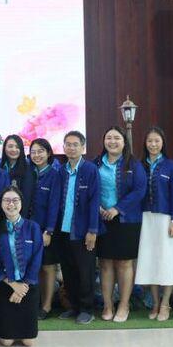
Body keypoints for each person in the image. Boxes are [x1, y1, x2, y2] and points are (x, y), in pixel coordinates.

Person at [95, 126, 146, 323]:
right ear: (104, 141)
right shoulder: (96, 163)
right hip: (102, 220)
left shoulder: (133, 164)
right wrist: (98, 207)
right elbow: (89, 189)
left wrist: (117, 208)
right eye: (109, 138)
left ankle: (124, 305)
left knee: (125, 263)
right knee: (105, 263)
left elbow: (139, 190)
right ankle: (108, 306)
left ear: (124, 142)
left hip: (127, 220)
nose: (112, 141)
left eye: (117, 138)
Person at [135, 127, 173, 322]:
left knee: (166, 262)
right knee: (150, 262)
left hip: (166, 220)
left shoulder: (171, 166)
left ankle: (165, 304)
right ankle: (155, 303)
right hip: (145, 220)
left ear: (162, 143)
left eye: (157, 141)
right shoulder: (139, 165)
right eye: (150, 141)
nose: (153, 144)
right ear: (145, 143)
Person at [55, 131, 100, 325]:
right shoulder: (61, 171)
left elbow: (94, 201)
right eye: (68, 144)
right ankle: (73, 306)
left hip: (83, 231)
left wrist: (92, 230)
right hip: (63, 230)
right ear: (63, 147)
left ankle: (87, 309)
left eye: (75, 144)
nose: (71, 148)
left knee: (85, 271)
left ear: (83, 147)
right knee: (68, 270)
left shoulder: (90, 170)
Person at [0, 187, 43, 346]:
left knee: (28, 342)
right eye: (6, 200)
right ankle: (1, 328)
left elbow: (37, 258)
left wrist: (22, 288)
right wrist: (13, 284)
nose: (11, 204)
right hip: (5, 286)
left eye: (15, 200)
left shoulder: (33, 227)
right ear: (1, 204)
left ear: (21, 203)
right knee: (6, 342)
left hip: (28, 287)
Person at [28, 138, 62, 320]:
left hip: (46, 230)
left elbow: (54, 205)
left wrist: (48, 231)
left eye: (40, 151)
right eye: (33, 152)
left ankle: (47, 306)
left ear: (49, 153)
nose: (37, 155)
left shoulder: (54, 175)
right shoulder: (28, 173)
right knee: (34, 266)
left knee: (48, 267)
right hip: (28, 229)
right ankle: (35, 302)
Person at [0, 135, 36, 219]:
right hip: (1, 214)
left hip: (17, 216)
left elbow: (26, 199)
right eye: (10, 146)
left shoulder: (27, 169)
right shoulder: (0, 167)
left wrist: (20, 221)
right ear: (4, 148)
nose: (13, 149)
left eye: (17, 147)